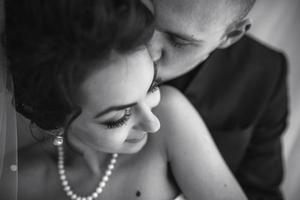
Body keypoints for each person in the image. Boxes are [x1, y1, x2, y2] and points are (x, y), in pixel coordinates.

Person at [0, 0, 247, 199]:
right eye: (118, 117)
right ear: (56, 116)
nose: (153, 124)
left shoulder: (171, 115)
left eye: (151, 87)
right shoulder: (17, 181)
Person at [144, 0, 289, 199]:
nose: (148, 52)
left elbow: (261, 192)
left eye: (179, 41)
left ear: (230, 35)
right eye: (142, 20)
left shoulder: (264, 73)